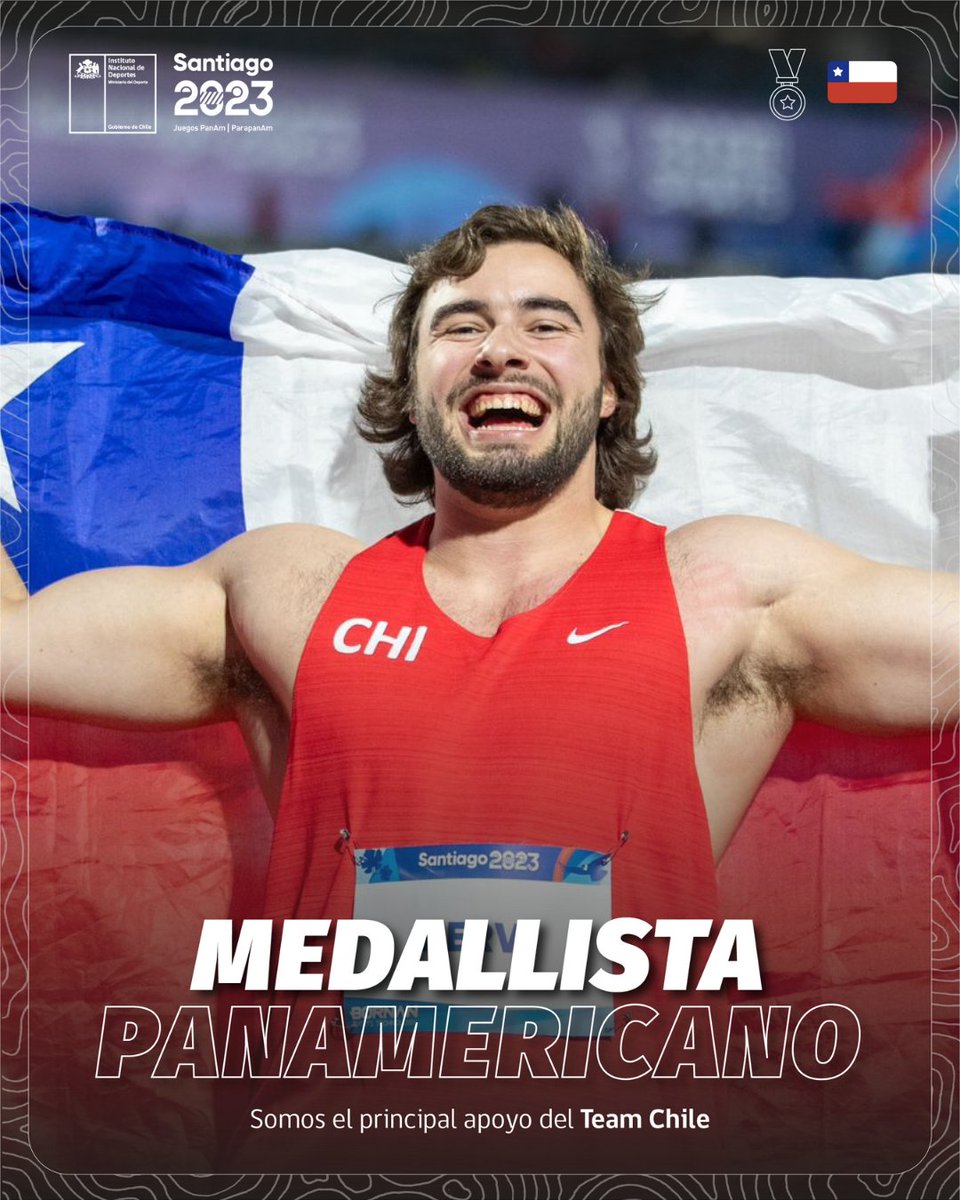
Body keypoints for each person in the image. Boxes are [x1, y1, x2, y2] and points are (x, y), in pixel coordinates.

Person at [2, 202, 953, 1175]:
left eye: (547, 322)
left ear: (611, 389)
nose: (501, 349)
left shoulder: (724, 590)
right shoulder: (290, 593)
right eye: (460, 326)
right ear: (412, 391)